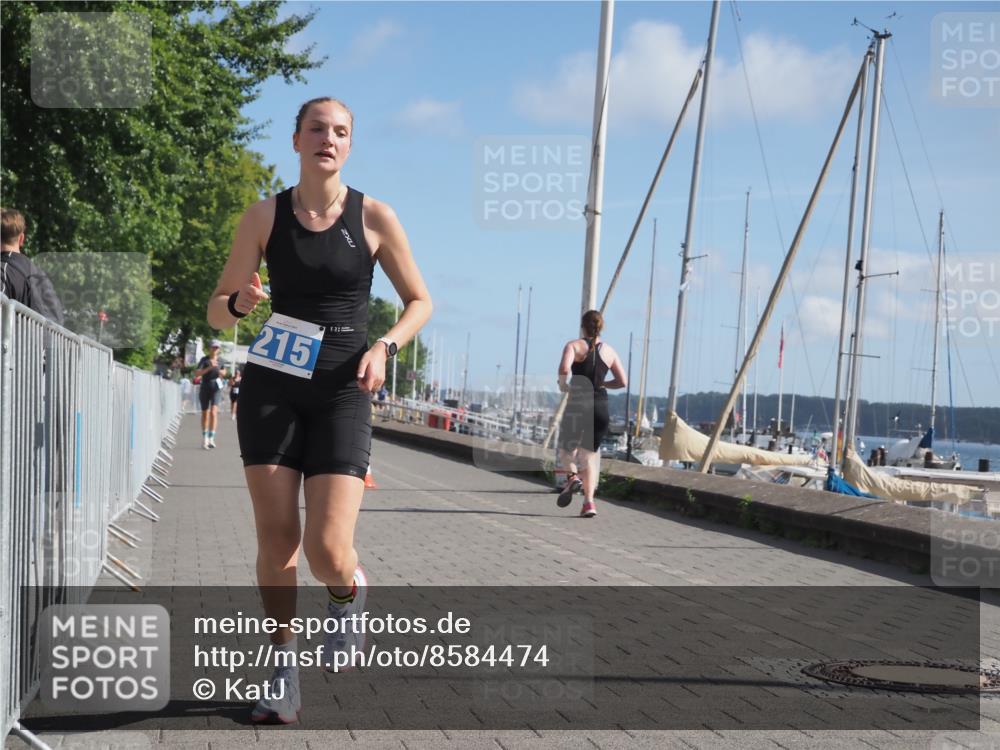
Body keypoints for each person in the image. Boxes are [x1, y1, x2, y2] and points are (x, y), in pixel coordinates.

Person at [206, 97, 432, 724]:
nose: (327, 139)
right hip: (273, 385)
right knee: (277, 539)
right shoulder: (263, 216)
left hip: (342, 392)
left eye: (340, 132)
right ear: (296, 139)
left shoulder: (375, 217)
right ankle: (282, 667)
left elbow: (420, 301)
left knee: (328, 549)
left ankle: (347, 591)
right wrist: (242, 303)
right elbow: (216, 310)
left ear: (349, 146)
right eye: (316, 129)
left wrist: (386, 345)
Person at [556, 310, 627, 518]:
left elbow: (564, 367)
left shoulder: (574, 346)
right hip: (600, 406)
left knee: (566, 450)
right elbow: (622, 381)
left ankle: (572, 478)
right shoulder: (610, 351)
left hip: (578, 403)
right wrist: (602, 382)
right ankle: (589, 503)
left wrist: (563, 385)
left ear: (582, 326)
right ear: (600, 327)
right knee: (588, 456)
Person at [1, 207, 64, 324]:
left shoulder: (3, 270)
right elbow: (58, 319)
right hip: (49, 342)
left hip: (16, 341)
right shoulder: (40, 275)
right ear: (21, 239)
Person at [194, 340, 226, 449]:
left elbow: (224, 373)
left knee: (213, 412)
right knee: (205, 413)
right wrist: (209, 367)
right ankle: (205, 437)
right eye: (213, 347)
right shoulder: (204, 360)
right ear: (210, 348)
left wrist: (217, 369)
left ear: (219, 349)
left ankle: (211, 437)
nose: (215, 349)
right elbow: (197, 374)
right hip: (205, 386)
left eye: (217, 347)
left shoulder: (221, 360)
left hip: (216, 387)